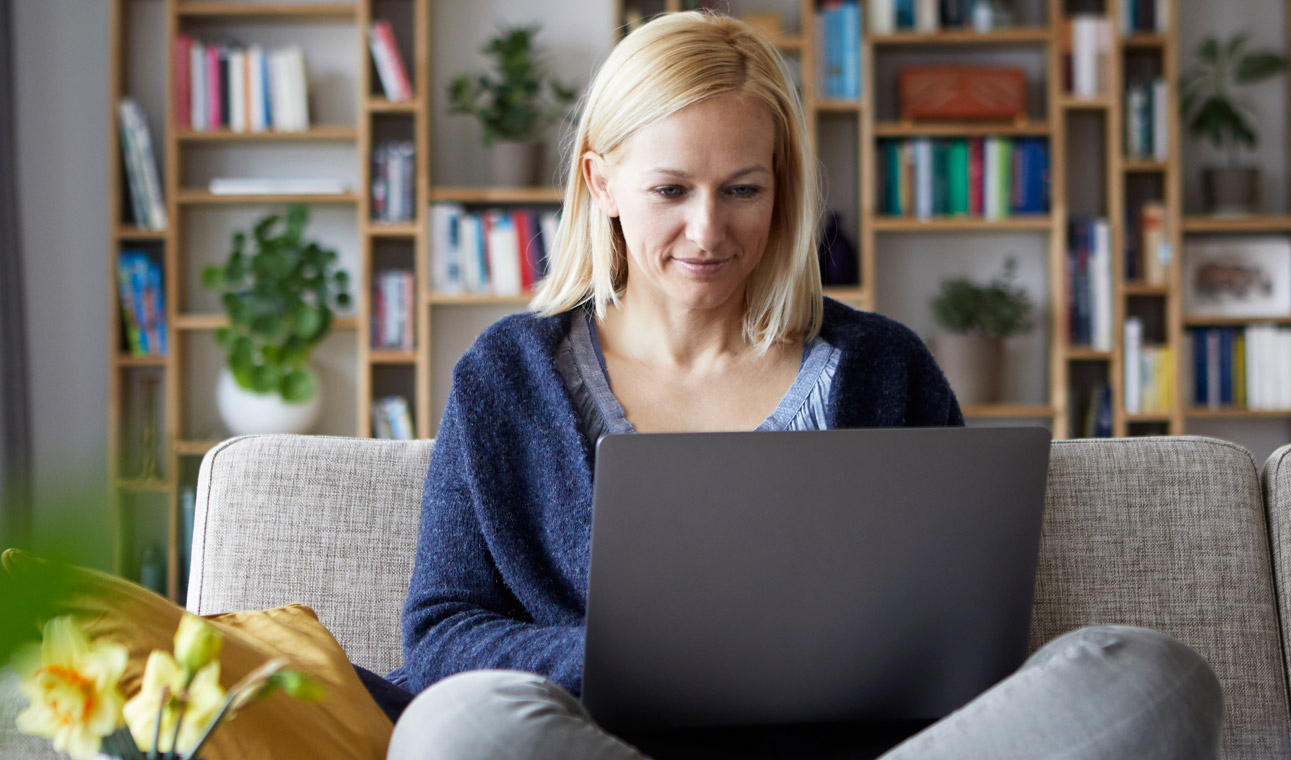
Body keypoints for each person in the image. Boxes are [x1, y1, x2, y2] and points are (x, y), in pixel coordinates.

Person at [384, 11, 1223, 759]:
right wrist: (641, 661)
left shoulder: (883, 368)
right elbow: (442, 636)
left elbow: (964, 629)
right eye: (671, 190)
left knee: (1155, 676)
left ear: (781, 188)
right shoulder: (506, 377)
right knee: (456, 728)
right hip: (604, 742)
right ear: (601, 184)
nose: (708, 231)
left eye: (743, 190)